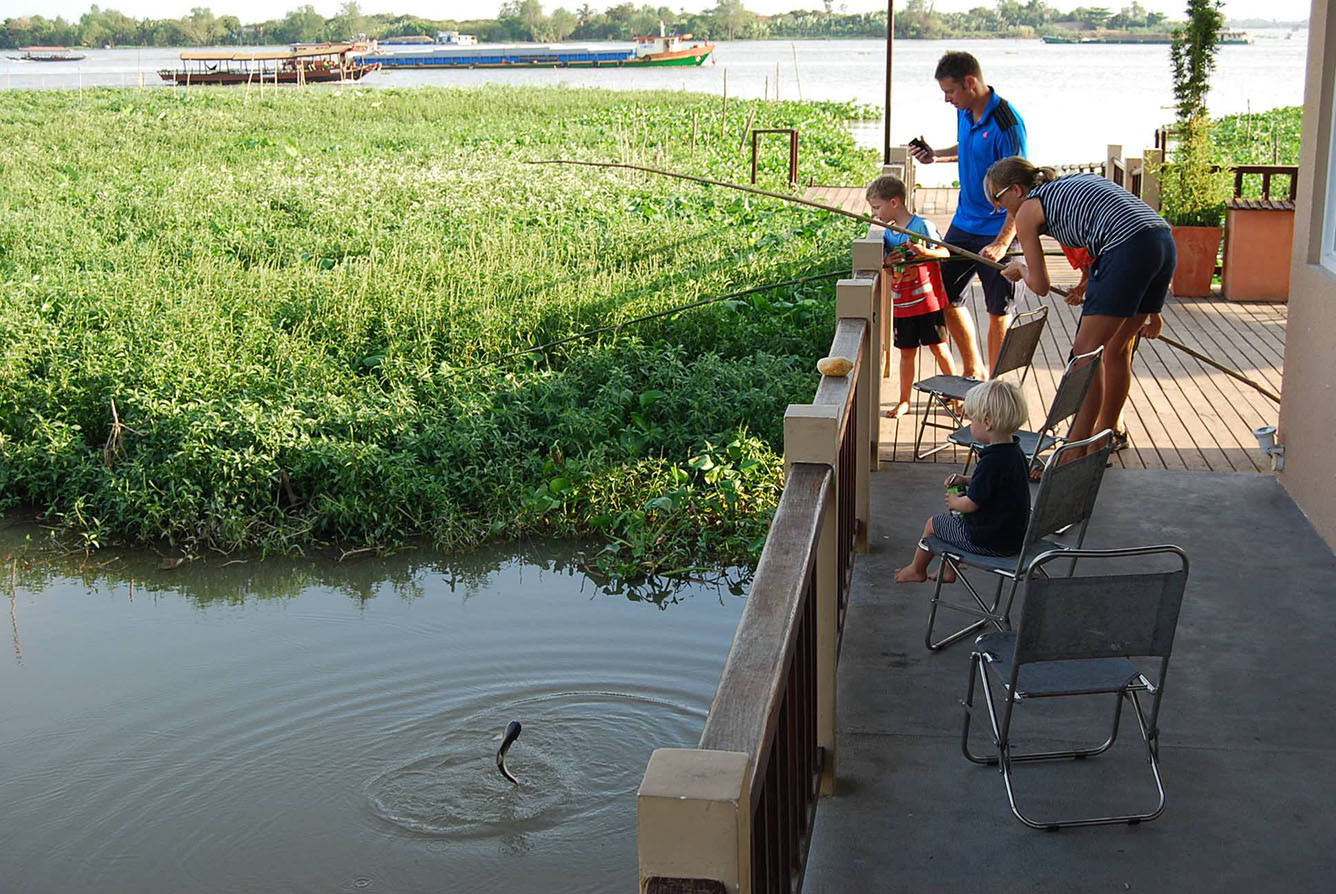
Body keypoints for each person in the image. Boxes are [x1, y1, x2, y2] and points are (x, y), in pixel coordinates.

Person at [985, 157, 1171, 459]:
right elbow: (1109, 227)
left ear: (1017, 190)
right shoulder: (1065, 188)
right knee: (1116, 350)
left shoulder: (1029, 209)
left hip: (1124, 248)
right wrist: (1149, 308)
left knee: (1085, 355)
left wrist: (1020, 269)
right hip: (1160, 239)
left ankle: (1075, 450)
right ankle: (1102, 439)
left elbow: (1041, 285)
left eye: (997, 198)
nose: (997, 207)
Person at [908, 51, 1028, 379]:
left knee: (998, 311)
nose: (947, 99)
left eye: (950, 91)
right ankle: (972, 368)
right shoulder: (964, 112)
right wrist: (935, 156)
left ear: (970, 83)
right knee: (944, 295)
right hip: (963, 222)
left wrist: (1003, 243)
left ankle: (995, 387)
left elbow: (1022, 190)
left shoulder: (1008, 125)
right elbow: (966, 148)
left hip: (998, 228)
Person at [894, 380, 1030, 584]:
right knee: (955, 521)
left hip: (989, 541)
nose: (970, 424)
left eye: (972, 419)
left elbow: (971, 504)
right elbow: (997, 485)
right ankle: (949, 570)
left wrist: (955, 501)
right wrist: (967, 480)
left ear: (987, 422)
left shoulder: (991, 461)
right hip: (1013, 536)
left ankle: (917, 569)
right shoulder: (1014, 451)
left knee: (934, 524)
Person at [866, 174, 959, 419]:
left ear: (894, 203)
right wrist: (886, 261)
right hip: (903, 305)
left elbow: (945, 253)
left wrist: (923, 251)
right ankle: (904, 400)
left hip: (928, 302)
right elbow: (884, 262)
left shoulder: (923, 226)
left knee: (939, 348)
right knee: (906, 353)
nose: (875, 214)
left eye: (877, 207)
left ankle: (956, 395)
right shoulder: (887, 233)